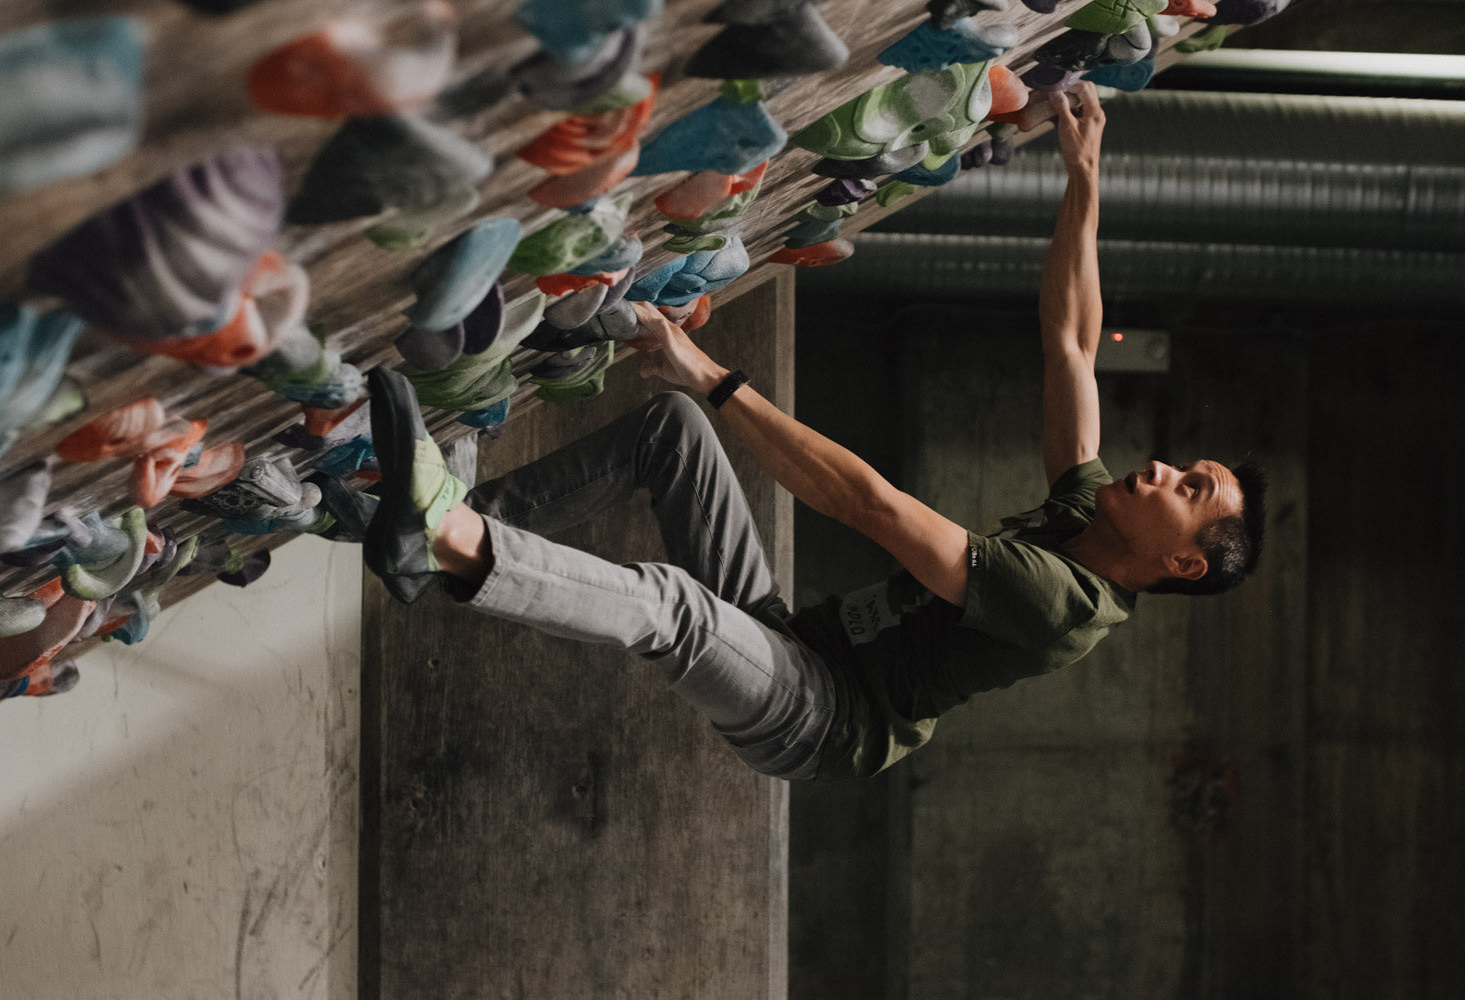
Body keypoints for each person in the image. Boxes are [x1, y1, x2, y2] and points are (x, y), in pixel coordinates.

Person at [359, 83, 1267, 780]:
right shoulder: (1086, 513)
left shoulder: (1061, 608)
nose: (1161, 467)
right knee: (669, 431)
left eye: (1190, 490)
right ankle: (444, 525)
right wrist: (1085, 179)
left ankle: (449, 536)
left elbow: (869, 505)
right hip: (797, 642)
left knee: (673, 608)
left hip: (819, 718)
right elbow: (1070, 339)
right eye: (1187, 467)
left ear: (1181, 563)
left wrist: (716, 375)